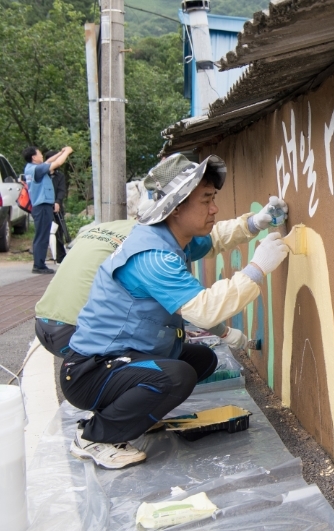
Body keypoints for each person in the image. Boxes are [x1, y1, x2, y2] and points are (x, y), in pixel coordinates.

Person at [64, 153, 288, 469]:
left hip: (118, 359)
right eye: (206, 200)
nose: (215, 208)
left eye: (214, 198)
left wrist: (257, 221)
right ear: (175, 208)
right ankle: (94, 436)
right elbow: (206, 311)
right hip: (90, 371)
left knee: (202, 359)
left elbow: (214, 240)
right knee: (177, 376)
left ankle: (127, 415)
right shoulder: (153, 256)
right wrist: (257, 268)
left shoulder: (169, 235)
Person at [34, 218, 250, 357]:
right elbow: (194, 305)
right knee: (159, 347)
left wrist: (253, 224)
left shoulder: (108, 227)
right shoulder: (151, 248)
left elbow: (210, 240)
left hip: (44, 322)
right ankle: (121, 416)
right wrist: (225, 332)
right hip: (78, 334)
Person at [22, 145, 72, 273]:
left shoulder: (30, 168)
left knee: (41, 235)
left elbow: (48, 162)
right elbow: (57, 163)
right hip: (42, 206)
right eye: (39, 154)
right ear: (34, 157)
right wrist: (66, 152)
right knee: (42, 236)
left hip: (40, 206)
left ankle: (39, 263)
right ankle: (39, 265)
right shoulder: (37, 170)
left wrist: (60, 152)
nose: (42, 156)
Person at [43, 149, 68, 263]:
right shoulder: (42, 175)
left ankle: (60, 256)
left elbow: (62, 190)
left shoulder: (60, 176)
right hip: (44, 206)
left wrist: (58, 201)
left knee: (59, 231)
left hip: (57, 207)